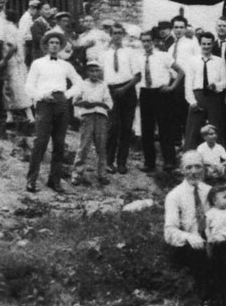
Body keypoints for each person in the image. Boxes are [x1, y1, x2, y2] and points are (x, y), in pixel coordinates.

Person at [25, 32, 83, 193]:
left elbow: (79, 82)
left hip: (62, 104)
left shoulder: (66, 65)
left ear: (61, 46)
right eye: (51, 42)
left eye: (57, 43)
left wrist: (67, 95)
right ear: (45, 45)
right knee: (40, 142)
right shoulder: (37, 64)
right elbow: (28, 87)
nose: (54, 45)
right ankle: (31, 180)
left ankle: (54, 180)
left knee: (59, 143)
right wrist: (41, 96)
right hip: (44, 104)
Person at [164, 151, 211, 305]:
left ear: (204, 168)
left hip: (210, 238)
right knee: (197, 251)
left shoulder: (210, 192)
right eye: (189, 167)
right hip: (187, 245)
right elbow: (169, 231)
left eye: (198, 166)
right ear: (182, 170)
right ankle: (205, 300)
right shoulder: (174, 195)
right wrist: (190, 237)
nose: (194, 171)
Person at [100, 24, 141, 174]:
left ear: (123, 35)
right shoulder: (104, 53)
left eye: (119, 33)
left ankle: (122, 162)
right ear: (110, 35)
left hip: (127, 90)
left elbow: (137, 76)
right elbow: (100, 75)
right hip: (111, 91)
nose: (116, 36)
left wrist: (124, 89)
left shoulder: (130, 52)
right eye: (114, 33)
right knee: (113, 127)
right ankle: (108, 162)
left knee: (126, 128)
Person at [140, 30, 183, 172]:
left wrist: (172, 87)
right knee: (147, 129)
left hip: (161, 94)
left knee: (165, 128)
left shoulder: (163, 56)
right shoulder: (138, 57)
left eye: (148, 41)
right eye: (143, 41)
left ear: (154, 42)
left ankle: (169, 161)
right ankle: (149, 162)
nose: (146, 43)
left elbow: (181, 72)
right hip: (145, 93)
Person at [71, 60, 112, 187]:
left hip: (100, 117)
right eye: (91, 71)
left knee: (101, 146)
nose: (94, 73)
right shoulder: (82, 84)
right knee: (84, 146)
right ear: (87, 72)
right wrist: (84, 103)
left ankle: (102, 174)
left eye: (96, 71)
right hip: (87, 117)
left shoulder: (103, 85)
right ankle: (77, 174)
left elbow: (109, 104)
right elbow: (75, 101)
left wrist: (97, 104)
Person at [184, 32, 226, 149]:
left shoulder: (219, 61)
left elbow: (224, 82)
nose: (206, 46)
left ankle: (219, 158)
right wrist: (192, 101)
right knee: (193, 128)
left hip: (213, 97)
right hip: (198, 96)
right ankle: (190, 157)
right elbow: (188, 83)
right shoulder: (193, 61)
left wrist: (216, 86)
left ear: (213, 44)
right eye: (204, 44)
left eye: (209, 44)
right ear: (200, 44)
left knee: (215, 127)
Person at [0, 11, 34, 126]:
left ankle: (24, 115)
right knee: (16, 86)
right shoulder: (15, 29)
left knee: (12, 87)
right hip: (18, 61)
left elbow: (13, 46)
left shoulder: (7, 29)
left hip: (11, 61)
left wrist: (4, 60)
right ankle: (14, 116)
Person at [18, 0, 41, 65]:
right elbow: (23, 35)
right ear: (32, 8)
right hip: (25, 46)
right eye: (36, 10)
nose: (37, 13)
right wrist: (34, 36)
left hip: (28, 45)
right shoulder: (26, 18)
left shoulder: (29, 18)